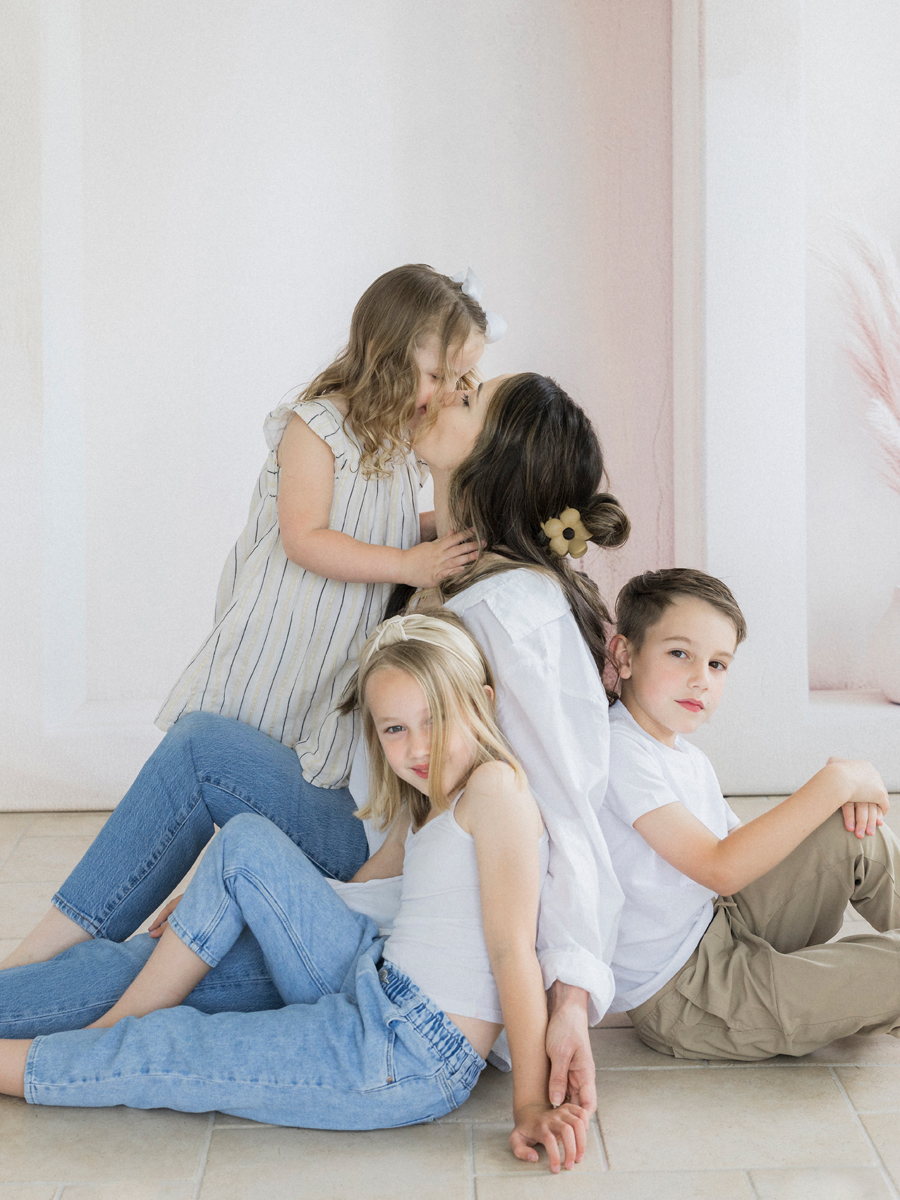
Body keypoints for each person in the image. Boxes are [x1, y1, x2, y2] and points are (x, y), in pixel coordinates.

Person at [3, 372, 629, 1117]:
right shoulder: (446, 555)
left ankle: (40, 989)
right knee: (203, 757)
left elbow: (568, 816)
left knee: (153, 968)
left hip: (398, 925)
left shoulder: (517, 611)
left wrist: (568, 998)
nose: (443, 392)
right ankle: (36, 965)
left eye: (468, 399)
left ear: (495, 462)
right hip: (378, 857)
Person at [0, 615, 588, 1173]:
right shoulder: (428, 807)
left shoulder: (495, 790)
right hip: (370, 977)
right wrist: (230, 897)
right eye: (395, 728)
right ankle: (112, 1023)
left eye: (435, 718)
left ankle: (80, 1048)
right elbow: (351, 893)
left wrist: (530, 1103)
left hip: (407, 1050)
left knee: (171, 1048)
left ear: (482, 702)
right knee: (246, 841)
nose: (417, 747)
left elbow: (513, 951)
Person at [157, 261, 489, 786]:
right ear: (386, 353)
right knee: (253, 730)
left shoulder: (401, 442)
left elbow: (388, 524)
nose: (445, 394)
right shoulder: (318, 427)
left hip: (341, 638)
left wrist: (435, 534)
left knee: (302, 749)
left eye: (458, 381)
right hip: (288, 627)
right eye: (436, 377)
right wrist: (408, 563)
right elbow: (305, 538)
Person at [600, 567, 897, 1060]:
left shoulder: (686, 756)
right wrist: (835, 782)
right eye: (680, 654)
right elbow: (721, 868)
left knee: (855, 833)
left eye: (718, 665)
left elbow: (746, 860)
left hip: (723, 921)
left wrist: (834, 807)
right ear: (625, 655)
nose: (701, 679)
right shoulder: (619, 750)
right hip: (688, 994)